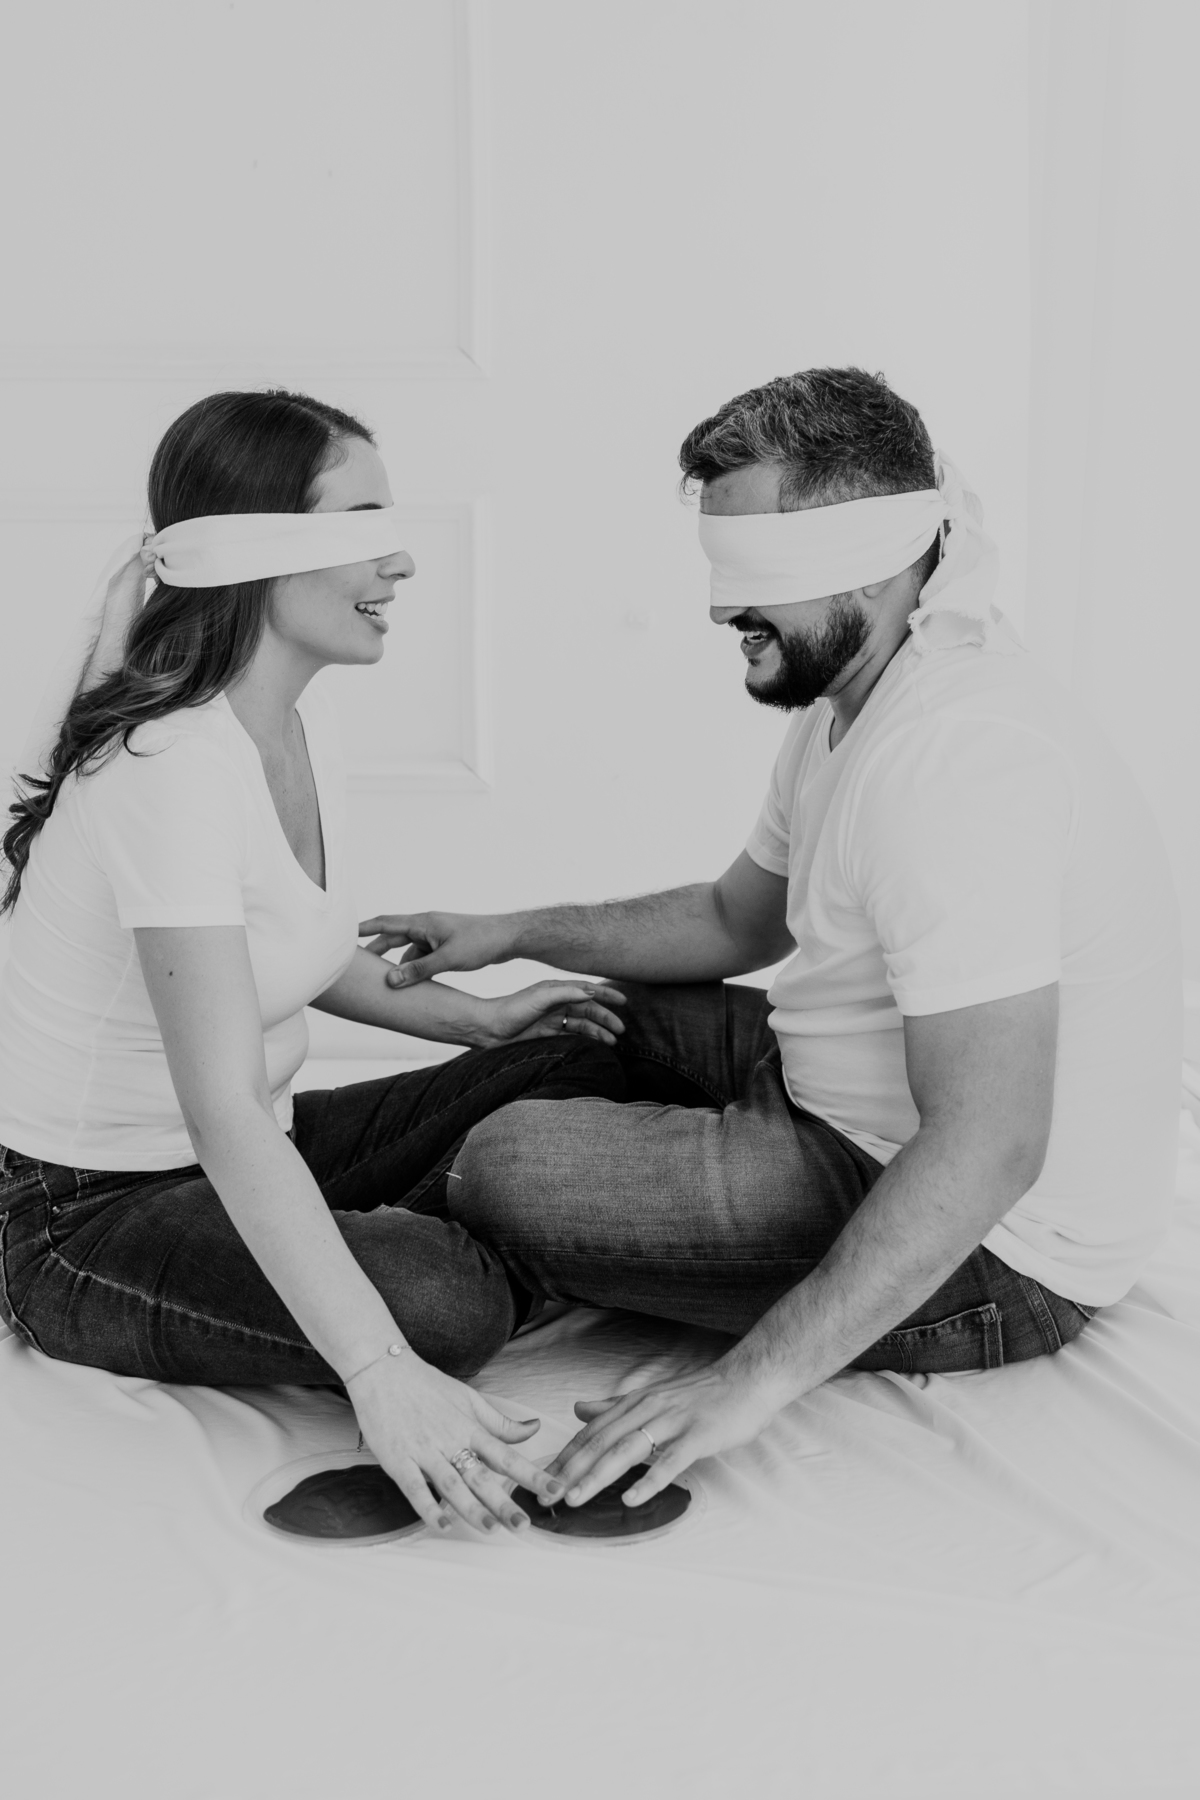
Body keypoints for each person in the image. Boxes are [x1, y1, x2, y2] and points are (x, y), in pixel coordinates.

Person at [361, 366, 1183, 1516]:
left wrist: (746, 1386)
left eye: (756, 574)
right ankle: (289, 1168)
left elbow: (992, 1143)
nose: (719, 611)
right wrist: (513, 930)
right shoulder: (858, 699)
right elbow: (732, 920)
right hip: (837, 1096)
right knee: (590, 1009)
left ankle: (367, 1243)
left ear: (878, 559)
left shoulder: (955, 765)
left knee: (505, 1165)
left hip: (998, 1250)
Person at [0, 389, 628, 1537]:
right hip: (83, 1221)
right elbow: (223, 1111)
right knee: (437, 1303)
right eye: (364, 525)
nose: (401, 562)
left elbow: (287, 948)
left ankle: (456, 1228)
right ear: (257, 546)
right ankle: (446, 1255)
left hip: (263, 1149)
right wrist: (380, 1371)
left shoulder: (292, 719)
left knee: (589, 1052)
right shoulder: (169, 768)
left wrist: (480, 1025)